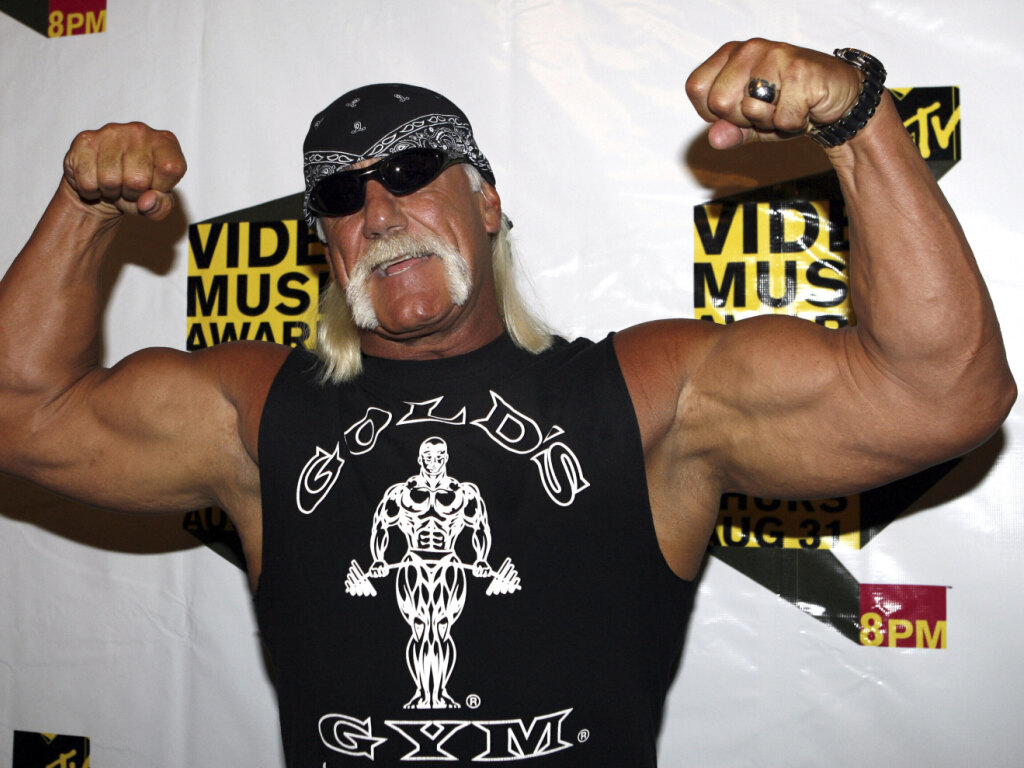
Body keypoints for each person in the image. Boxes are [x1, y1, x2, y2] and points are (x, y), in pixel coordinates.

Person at [0, 39, 1014, 766]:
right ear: (328, 247)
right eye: (341, 198)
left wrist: (856, 120)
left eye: (409, 170)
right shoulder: (259, 412)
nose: (378, 212)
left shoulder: (645, 396)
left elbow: (941, 395)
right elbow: (20, 417)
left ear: (486, 202)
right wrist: (84, 210)